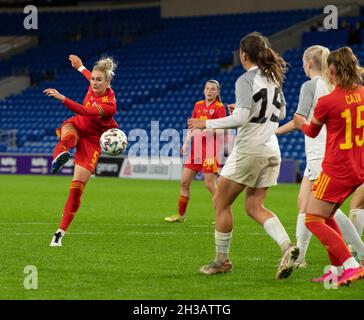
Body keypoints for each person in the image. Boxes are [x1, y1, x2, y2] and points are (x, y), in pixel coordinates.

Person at [188, 32, 299, 280]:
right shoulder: (272, 78)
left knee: (221, 202)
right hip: (271, 149)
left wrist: (206, 123)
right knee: (254, 206)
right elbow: (281, 114)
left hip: (250, 150)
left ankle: (221, 261)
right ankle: (287, 247)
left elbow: (241, 118)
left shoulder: (245, 79)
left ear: (244, 54)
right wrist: (243, 110)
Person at [276, 45, 364, 268]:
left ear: (307, 63)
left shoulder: (310, 86)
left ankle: (356, 256)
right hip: (337, 153)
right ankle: (303, 257)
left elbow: (301, 121)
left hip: (323, 155)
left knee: (323, 213)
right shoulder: (339, 86)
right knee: (304, 203)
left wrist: (273, 130)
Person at [44, 54, 118, 246]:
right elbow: (87, 75)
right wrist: (80, 66)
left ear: (107, 81)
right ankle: (59, 157)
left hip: (92, 141)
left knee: (76, 189)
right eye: (93, 78)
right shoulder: (94, 82)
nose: (94, 82)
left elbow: (85, 111)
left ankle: (59, 233)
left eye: (98, 79)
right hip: (76, 126)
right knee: (68, 137)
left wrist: (62, 98)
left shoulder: (109, 105)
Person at [165, 80, 227, 222]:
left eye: (213, 89)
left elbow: (222, 131)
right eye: (207, 88)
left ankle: (221, 214)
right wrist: (186, 143)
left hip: (210, 151)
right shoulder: (198, 105)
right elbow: (193, 127)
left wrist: (204, 129)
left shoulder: (220, 108)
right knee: (184, 182)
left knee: (210, 185)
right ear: (204, 90)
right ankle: (181, 215)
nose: (209, 91)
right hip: (195, 150)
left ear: (217, 92)